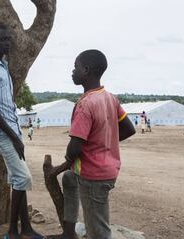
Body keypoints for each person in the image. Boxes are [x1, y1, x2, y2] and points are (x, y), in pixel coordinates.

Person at [49, 50, 135, 239]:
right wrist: (104, 143)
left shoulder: (85, 104)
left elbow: (75, 147)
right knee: (69, 179)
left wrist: (67, 159)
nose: (72, 71)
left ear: (86, 70)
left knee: (98, 229)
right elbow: (129, 129)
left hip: (93, 175)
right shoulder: (110, 98)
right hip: (105, 169)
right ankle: (69, 234)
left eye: (75, 67)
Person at [0, 24, 41, 239]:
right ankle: (12, 232)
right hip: (4, 134)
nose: (7, 43)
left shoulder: (3, 66)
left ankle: (26, 227)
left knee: (17, 179)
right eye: (2, 40)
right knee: (23, 178)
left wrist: (17, 135)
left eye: (8, 39)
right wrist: (14, 137)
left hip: (13, 132)